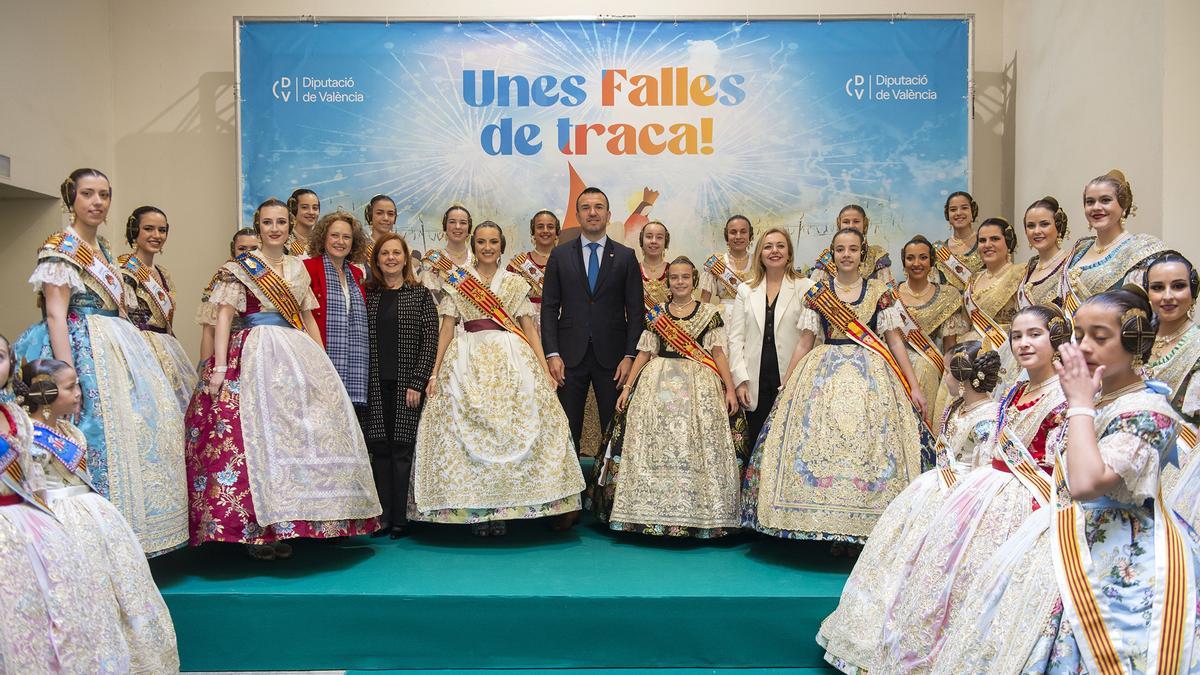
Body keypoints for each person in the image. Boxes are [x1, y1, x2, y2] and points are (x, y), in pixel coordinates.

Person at [930, 288, 1200, 674]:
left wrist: (1079, 405)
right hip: (1064, 533)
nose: (1083, 347)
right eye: (1078, 335)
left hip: (1116, 551)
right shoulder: (1098, 395)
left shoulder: (1147, 407)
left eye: (1100, 337)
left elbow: (1087, 483)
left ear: (1135, 340)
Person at [878, 304, 1071, 672]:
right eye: (1017, 336)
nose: (1024, 343)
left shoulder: (1063, 395)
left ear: (1057, 338)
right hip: (986, 496)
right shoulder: (1015, 391)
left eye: (1035, 334)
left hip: (1031, 505)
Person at [187, 198, 380, 560]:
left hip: (293, 351)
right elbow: (225, 316)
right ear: (258, 226)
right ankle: (255, 532)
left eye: (280, 222)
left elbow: (307, 316)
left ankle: (299, 522)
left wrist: (321, 362)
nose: (274, 228)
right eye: (267, 222)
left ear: (289, 227)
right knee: (254, 438)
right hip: (252, 352)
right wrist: (219, 366)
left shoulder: (296, 268)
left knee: (297, 434)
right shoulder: (240, 267)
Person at [11, 167, 187, 556]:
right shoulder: (61, 246)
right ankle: (92, 541)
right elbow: (56, 313)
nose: (97, 202)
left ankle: (135, 534)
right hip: (80, 344)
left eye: (104, 195)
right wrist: (65, 375)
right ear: (71, 198)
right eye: (88, 194)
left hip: (117, 342)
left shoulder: (105, 248)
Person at [817, 341, 1000, 674]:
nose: (942, 376)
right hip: (935, 488)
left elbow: (982, 466)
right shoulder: (958, 408)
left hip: (960, 495)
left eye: (947, 371)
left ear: (961, 377)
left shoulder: (988, 417)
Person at [742, 227, 927, 547]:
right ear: (832, 255)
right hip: (822, 373)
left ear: (862, 253)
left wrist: (914, 386)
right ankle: (818, 523)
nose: (846, 255)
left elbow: (895, 341)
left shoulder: (880, 291)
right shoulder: (818, 292)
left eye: (853, 249)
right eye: (840, 249)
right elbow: (805, 341)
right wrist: (787, 382)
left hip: (872, 377)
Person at [411, 222, 585, 536]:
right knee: (466, 430)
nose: (487, 247)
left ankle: (512, 508)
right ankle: (476, 510)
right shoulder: (457, 281)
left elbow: (529, 328)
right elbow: (448, 329)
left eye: (493, 241)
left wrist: (544, 369)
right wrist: (435, 372)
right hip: (466, 359)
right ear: (473, 245)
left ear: (501, 246)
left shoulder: (516, 283)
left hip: (512, 359)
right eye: (481, 242)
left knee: (517, 425)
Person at [20, 359, 178, 673]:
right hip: (57, 521)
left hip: (94, 518)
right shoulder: (28, 436)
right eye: (70, 387)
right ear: (45, 392)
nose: (79, 393)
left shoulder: (71, 430)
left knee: (117, 589)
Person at [0, 334, 129, 672]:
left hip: (50, 521)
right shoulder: (26, 425)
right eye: (71, 387)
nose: (78, 394)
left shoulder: (25, 421)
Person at [590, 257, 743, 538]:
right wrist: (627, 388)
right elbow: (645, 353)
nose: (680, 282)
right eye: (675, 277)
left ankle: (701, 514)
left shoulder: (710, 313)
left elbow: (719, 354)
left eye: (685, 277)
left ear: (694, 280)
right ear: (668, 281)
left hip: (699, 386)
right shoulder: (657, 313)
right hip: (657, 384)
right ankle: (643, 511)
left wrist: (730, 388)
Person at [541, 186, 645, 463]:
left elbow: (636, 313)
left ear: (608, 215)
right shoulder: (560, 255)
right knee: (565, 430)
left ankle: (609, 497)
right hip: (567, 359)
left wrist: (629, 357)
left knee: (614, 431)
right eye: (586, 208)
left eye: (598, 207)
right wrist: (551, 354)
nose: (592, 212)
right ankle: (569, 500)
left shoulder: (625, 256)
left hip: (613, 361)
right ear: (577, 215)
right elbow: (549, 308)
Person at [363, 233, 437, 539]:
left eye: (397, 253)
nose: (391, 258)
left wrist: (417, 381)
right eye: (385, 254)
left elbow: (430, 341)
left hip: (408, 385)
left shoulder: (420, 295)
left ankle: (401, 519)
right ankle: (382, 518)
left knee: (402, 450)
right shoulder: (369, 295)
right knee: (380, 449)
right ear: (377, 260)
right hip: (374, 385)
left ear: (406, 259)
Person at [727, 227, 811, 448]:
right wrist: (740, 380)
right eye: (768, 246)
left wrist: (803, 377)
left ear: (789, 253)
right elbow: (735, 339)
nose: (774, 251)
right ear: (760, 255)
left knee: (790, 443)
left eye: (780, 246)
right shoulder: (746, 290)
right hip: (755, 380)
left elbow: (814, 338)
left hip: (792, 377)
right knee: (756, 442)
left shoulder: (806, 288)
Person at [118, 205, 198, 413]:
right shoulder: (126, 268)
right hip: (139, 348)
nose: (157, 235)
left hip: (167, 347)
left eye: (162, 230)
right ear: (135, 230)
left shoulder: (162, 273)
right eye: (149, 229)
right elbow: (122, 317)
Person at [1059, 169, 1167, 317]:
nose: (1096, 207)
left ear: (1123, 205)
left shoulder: (1140, 248)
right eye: (1090, 202)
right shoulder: (1078, 250)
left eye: (1105, 200)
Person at [1142, 252, 1200, 517]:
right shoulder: (1136, 340)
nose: (1167, 296)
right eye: (1157, 287)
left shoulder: (1197, 346)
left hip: (1180, 461)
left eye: (1178, 286)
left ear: (1193, 290)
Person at [892, 235, 969, 426]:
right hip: (895, 365)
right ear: (904, 262)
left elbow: (950, 346)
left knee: (924, 368)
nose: (916, 263)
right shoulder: (890, 295)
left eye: (923, 257)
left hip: (930, 365)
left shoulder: (947, 296)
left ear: (932, 262)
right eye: (910, 258)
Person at [303, 211, 370, 419]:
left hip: (353, 364)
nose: (340, 242)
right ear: (323, 237)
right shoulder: (307, 268)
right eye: (334, 235)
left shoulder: (357, 274)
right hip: (317, 357)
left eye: (346, 237)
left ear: (353, 242)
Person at [198, 227, 258, 364]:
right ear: (233, 250)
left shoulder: (270, 278)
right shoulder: (224, 278)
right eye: (242, 249)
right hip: (230, 352)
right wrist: (205, 364)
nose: (248, 254)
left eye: (254, 249)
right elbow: (209, 330)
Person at [809, 205, 894, 284]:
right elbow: (814, 292)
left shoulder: (877, 254)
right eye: (846, 222)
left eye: (856, 221)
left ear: (864, 223)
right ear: (839, 223)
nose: (851, 226)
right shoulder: (828, 256)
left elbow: (888, 292)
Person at [1017, 196, 1071, 307]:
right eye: (1031, 226)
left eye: (1044, 224)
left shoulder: (1070, 264)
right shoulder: (1027, 269)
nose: (1036, 231)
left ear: (1058, 226)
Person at [699, 215, 754, 320]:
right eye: (733, 232)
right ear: (727, 236)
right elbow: (704, 303)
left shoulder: (759, 262)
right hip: (725, 319)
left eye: (743, 232)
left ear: (750, 235)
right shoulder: (716, 262)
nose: (738, 236)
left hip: (752, 317)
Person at [420, 204, 473, 301]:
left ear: (469, 228)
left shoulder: (477, 260)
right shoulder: (433, 258)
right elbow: (428, 298)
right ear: (445, 226)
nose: (457, 226)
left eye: (463, 222)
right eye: (452, 222)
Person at [933, 190, 982, 291]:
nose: (958, 213)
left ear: (973, 211)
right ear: (947, 215)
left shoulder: (985, 244)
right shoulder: (938, 250)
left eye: (964, 208)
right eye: (953, 209)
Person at [638, 221, 671, 307]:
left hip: (667, 320)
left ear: (666, 242)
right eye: (649, 237)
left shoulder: (673, 271)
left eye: (659, 237)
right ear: (641, 240)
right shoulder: (632, 270)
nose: (653, 241)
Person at [285, 187, 320, 255]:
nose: (311, 212)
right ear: (293, 210)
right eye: (304, 207)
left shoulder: (322, 241)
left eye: (315, 208)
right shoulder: (284, 240)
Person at [364, 193, 397, 262]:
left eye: (390, 214)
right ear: (370, 216)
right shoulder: (361, 249)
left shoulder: (401, 248)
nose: (386, 218)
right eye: (379, 213)